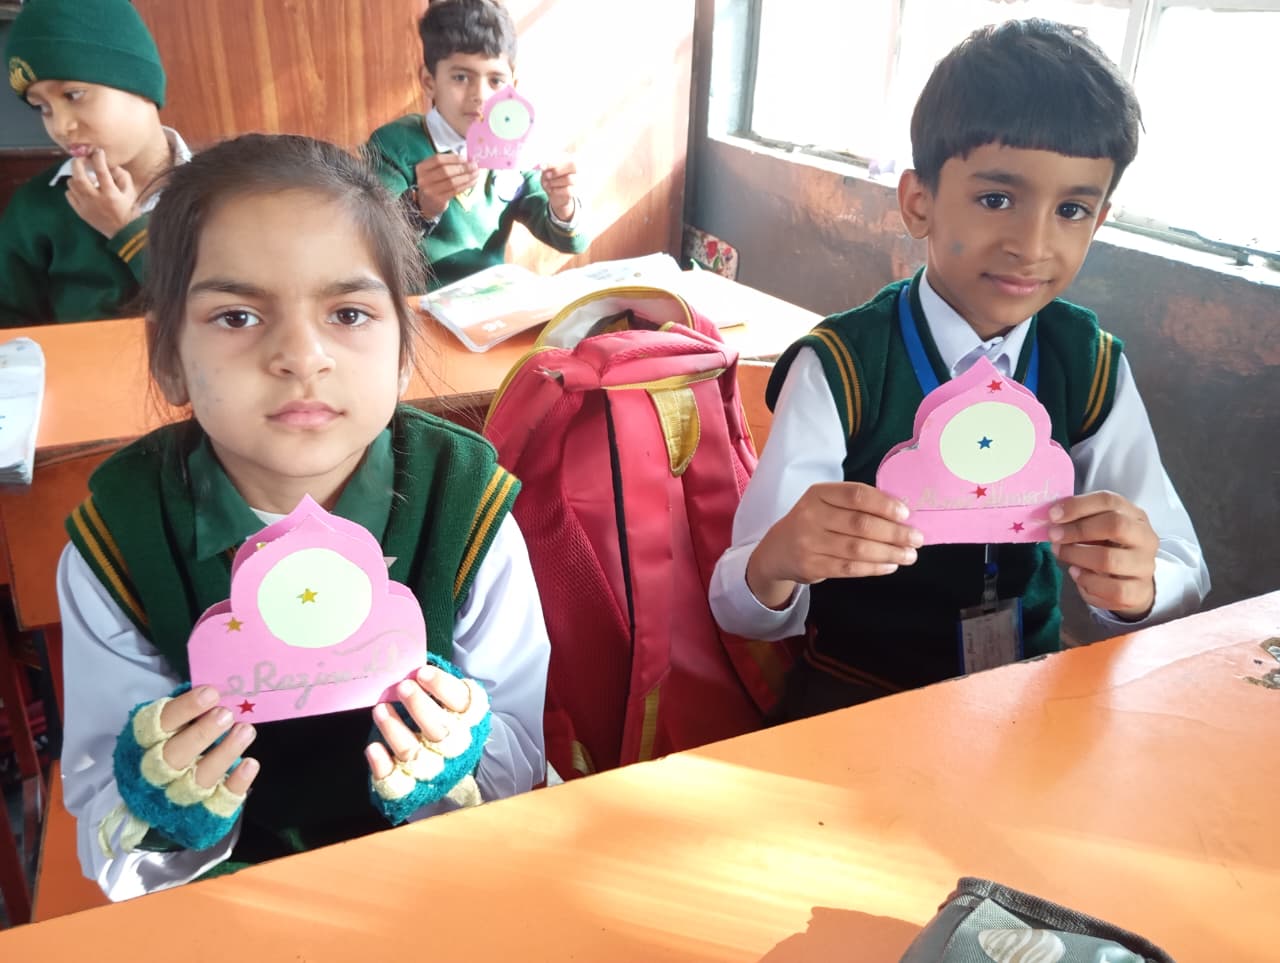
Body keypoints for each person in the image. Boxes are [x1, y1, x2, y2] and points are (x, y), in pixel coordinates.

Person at [56, 133, 550, 900]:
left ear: (402, 351)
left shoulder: (467, 508)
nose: (300, 355)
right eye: (237, 316)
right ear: (169, 359)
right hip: (224, 902)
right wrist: (158, 804)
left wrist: (460, 759)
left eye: (348, 312)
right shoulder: (120, 540)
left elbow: (521, 771)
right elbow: (105, 833)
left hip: (443, 881)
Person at [710, 19, 1209, 718]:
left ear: (1099, 221)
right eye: (996, 199)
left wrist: (1142, 584)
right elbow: (737, 604)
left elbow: (1182, 567)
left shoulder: (1088, 363)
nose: (1031, 244)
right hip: (854, 705)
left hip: (1026, 702)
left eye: (1071, 209)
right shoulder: (843, 366)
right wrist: (777, 560)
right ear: (918, 201)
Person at [366, 0, 589, 290]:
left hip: (490, 304)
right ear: (429, 82)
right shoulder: (393, 146)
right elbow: (370, 246)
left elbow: (572, 242)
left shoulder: (515, 149)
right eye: (461, 77)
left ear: (513, 88)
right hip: (414, 306)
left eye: (495, 81)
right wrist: (421, 207)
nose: (480, 95)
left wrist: (563, 203)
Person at [0, 0, 190, 324]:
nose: (60, 127)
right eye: (42, 108)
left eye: (73, 95)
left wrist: (129, 231)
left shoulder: (220, 192)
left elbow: (225, 308)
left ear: (139, 83)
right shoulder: (36, 208)